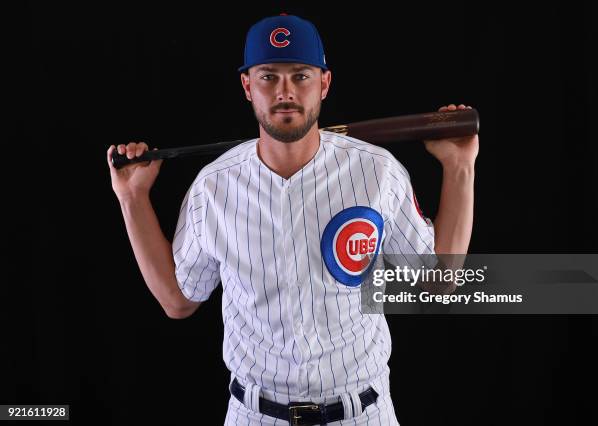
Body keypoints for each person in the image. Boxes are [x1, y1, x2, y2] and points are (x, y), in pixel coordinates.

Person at [106, 13, 478, 426]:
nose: (285, 91)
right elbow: (178, 301)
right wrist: (132, 197)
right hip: (256, 414)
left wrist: (460, 167)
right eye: (269, 76)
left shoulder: (377, 172)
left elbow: (438, 281)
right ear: (248, 87)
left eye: (300, 75)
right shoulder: (212, 188)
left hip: (362, 413)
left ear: (324, 83)